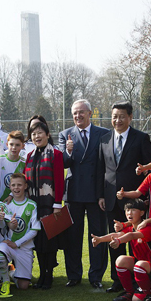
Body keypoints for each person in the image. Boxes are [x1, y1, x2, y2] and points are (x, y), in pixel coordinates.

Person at [97, 101, 151, 293]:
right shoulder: (104, 139)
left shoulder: (141, 138)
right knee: (116, 238)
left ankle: (138, 279)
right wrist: (101, 196)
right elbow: (101, 170)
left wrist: (144, 196)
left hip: (134, 200)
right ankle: (118, 280)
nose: (117, 120)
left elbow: (149, 169)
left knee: (136, 240)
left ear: (130, 117)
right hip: (111, 199)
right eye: (114, 116)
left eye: (122, 116)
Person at [59, 99, 108, 289]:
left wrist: (103, 193)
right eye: (74, 114)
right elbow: (62, 162)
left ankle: (96, 276)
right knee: (73, 236)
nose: (78, 116)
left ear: (89, 113)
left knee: (97, 235)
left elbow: (106, 163)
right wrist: (69, 153)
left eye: (81, 112)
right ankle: (73, 275)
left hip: (96, 193)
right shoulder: (65, 135)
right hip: (73, 192)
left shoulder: (104, 134)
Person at [24, 121, 65, 289]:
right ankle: (41, 275)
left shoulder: (55, 154)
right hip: (34, 206)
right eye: (33, 134)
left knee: (49, 242)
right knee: (38, 241)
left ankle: (49, 276)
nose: (37, 136)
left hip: (50, 205)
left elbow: (59, 181)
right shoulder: (30, 156)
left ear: (48, 134)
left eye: (40, 132)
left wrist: (57, 204)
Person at [91, 199, 149, 301]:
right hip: (139, 265)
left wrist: (118, 241)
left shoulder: (147, 227)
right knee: (120, 260)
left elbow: (130, 236)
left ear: (142, 212)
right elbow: (117, 234)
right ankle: (129, 292)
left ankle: (149, 292)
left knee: (137, 300)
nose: (129, 213)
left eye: (133, 210)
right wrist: (100, 239)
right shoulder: (131, 227)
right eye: (127, 210)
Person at [0, 173, 40, 296]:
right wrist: (0, 220)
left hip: (24, 247)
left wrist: (17, 243)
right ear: (9, 186)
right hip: (9, 244)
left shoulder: (32, 205)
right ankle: (5, 281)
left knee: (23, 286)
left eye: (19, 185)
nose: (16, 188)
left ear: (25, 186)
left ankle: (11, 272)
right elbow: (3, 227)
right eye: (13, 185)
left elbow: (34, 230)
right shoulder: (6, 205)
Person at [0, 131, 26, 202]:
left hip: (17, 202)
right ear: (7, 144)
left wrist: (11, 195)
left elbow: (25, 185)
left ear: (23, 146)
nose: (14, 147)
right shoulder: (0, 159)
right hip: (0, 200)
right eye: (11, 144)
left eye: (17, 145)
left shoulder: (24, 163)